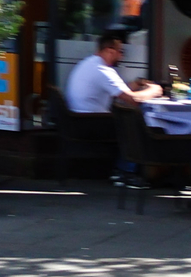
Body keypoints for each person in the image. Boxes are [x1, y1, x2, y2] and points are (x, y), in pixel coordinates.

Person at [65, 27, 163, 185]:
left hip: (78, 119)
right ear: (110, 50)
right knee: (135, 124)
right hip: (90, 123)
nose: (122, 55)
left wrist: (138, 84)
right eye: (120, 51)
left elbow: (119, 90)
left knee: (128, 118)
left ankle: (124, 170)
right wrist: (155, 90)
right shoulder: (103, 70)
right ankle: (125, 173)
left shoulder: (91, 63)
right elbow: (133, 100)